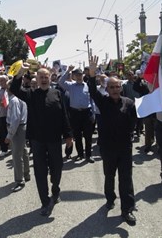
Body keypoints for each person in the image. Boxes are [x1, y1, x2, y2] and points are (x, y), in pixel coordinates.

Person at [10, 63, 73, 216]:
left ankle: (55, 189)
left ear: (50, 78)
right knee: (40, 171)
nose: (44, 79)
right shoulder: (31, 94)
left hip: (54, 139)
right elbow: (14, 89)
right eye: (41, 77)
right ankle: (45, 202)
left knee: (57, 168)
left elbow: (64, 115)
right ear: (36, 79)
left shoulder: (57, 93)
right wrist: (21, 72)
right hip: (37, 140)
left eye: (46, 77)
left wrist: (69, 135)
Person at [87, 55, 137, 225]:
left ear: (121, 88)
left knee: (126, 178)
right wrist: (92, 75)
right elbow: (93, 91)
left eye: (118, 86)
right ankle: (110, 199)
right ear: (107, 89)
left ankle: (127, 209)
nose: (115, 89)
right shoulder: (103, 102)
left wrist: (127, 135)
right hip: (107, 148)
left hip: (124, 148)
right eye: (112, 87)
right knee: (110, 176)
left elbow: (133, 122)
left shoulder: (129, 103)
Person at [59, 67, 95, 163]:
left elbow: (92, 100)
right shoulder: (70, 86)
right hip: (75, 113)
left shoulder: (88, 86)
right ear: (74, 76)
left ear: (83, 75)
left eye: (80, 75)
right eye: (77, 75)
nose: (79, 77)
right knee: (77, 136)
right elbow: (60, 82)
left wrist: (93, 113)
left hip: (86, 113)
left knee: (88, 136)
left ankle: (88, 155)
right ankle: (80, 154)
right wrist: (68, 71)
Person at [5, 80, 30, 192]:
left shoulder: (14, 100)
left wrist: (9, 135)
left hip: (17, 128)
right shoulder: (19, 99)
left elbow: (15, 119)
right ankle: (26, 174)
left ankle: (19, 180)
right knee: (23, 151)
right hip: (21, 127)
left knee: (16, 155)